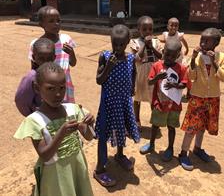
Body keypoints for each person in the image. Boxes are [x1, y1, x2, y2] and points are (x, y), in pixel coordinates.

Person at [14, 62, 95, 196]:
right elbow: (45, 155)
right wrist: (61, 133)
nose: (58, 94)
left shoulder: (73, 109)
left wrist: (89, 125)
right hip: (56, 177)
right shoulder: (35, 121)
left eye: (62, 88)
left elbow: (88, 136)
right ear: (37, 88)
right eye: (50, 89)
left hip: (77, 167)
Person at [94, 24, 140, 187]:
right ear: (111, 41)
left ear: (128, 42)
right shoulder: (105, 57)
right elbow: (99, 80)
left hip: (123, 100)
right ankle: (99, 169)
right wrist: (109, 66)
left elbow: (133, 72)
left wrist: (132, 87)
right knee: (104, 132)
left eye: (121, 44)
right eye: (115, 44)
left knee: (122, 129)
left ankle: (120, 155)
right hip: (108, 103)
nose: (118, 48)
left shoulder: (130, 58)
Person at [178, 28, 224, 171]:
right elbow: (191, 77)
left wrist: (214, 62)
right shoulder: (197, 57)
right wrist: (193, 59)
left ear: (216, 43)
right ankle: (183, 152)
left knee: (203, 126)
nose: (203, 42)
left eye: (207, 40)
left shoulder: (222, 57)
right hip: (197, 97)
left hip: (213, 98)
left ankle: (197, 148)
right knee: (192, 126)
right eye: (202, 39)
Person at [139, 39, 191, 161]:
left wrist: (175, 85)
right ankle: (151, 144)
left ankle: (170, 148)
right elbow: (149, 81)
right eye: (167, 54)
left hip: (174, 106)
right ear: (163, 51)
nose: (169, 58)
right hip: (160, 103)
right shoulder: (157, 66)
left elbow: (184, 84)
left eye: (173, 56)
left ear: (178, 55)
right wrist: (157, 77)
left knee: (171, 127)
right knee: (155, 125)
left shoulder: (182, 69)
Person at [28, 6, 77, 103]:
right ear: (41, 24)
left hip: (64, 85)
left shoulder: (66, 39)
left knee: (67, 111)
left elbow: (73, 63)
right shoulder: (36, 44)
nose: (56, 24)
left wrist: (71, 53)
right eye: (51, 21)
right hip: (48, 88)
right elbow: (33, 69)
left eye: (58, 20)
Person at [130, 16, 162, 130]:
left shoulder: (156, 41)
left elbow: (160, 56)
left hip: (153, 73)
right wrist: (144, 45)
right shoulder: (135, 42)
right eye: (144, 29)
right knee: (138, 97)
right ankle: (137, 120)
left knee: (153, 97)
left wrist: (152, 47)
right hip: (141, 74)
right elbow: (136, 58)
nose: (147, 32)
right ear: (139, 29)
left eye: (150, 29)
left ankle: (155, 119)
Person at [15, 38, 55, 116]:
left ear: (54, 57)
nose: (45, 62)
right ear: (33, 57)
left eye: (49, 58)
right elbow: (21, 101)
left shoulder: (55, 73)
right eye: (41, 58)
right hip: (40, 118)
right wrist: (32, 116)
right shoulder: (31, 78)